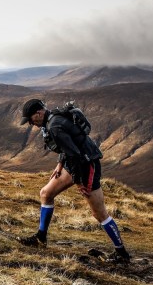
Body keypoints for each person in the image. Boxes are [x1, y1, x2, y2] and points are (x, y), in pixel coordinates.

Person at [18, 98, 131, 263]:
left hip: (86, 165)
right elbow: (68, 146)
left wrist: (79, 182)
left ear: (39, 113)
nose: (30, 123)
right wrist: (60, 165)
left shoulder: (54, 125)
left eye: (30, 119)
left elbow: (74, 154)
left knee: (99, 213)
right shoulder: (52, 119)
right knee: (46, 194)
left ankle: (122, 254)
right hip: (75, 163)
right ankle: (41, 238)